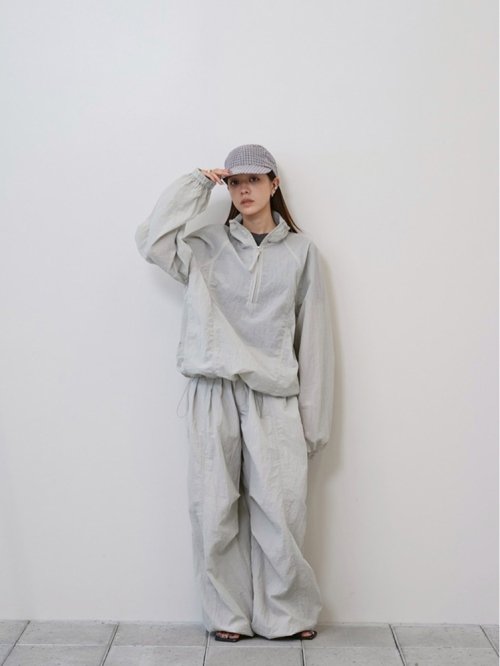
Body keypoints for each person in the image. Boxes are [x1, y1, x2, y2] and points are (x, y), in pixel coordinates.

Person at [135, 144, 334, 642]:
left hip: (274, 395)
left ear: (273, 184)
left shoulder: (301, 253)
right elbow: (153, 242)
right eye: (234, 181)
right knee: (213, 507)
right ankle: (226, 616)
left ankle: (286, 614)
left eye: (254, 180)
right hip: (213, 390)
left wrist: (314, 422)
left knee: (281, 510)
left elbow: (314, 340)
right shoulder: (206, 246)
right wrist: (196, 184)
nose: (244, 190)